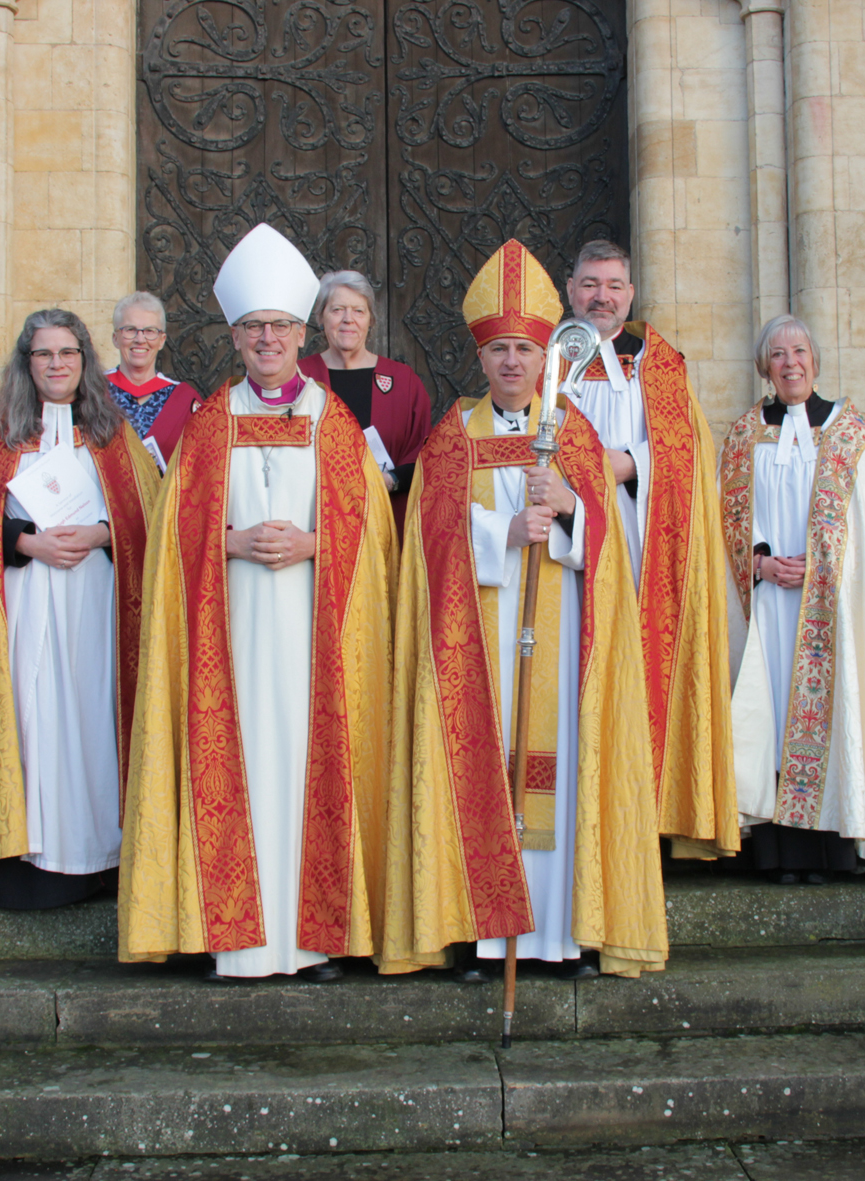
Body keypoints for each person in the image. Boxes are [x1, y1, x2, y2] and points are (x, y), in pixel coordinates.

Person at [379, 238, 665, 982]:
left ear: (546, 359)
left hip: (559, 631)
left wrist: (572, 511)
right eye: (500, 349)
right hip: (476, 638)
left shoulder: (574, 434)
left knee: (556, 773)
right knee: (480, 769)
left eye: (523, 350)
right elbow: (430, 542)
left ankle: (561, 934)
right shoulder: (452, 438)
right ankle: (481, 935)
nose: (512, 362)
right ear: (481, 359)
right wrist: (502, 532)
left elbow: (607, 546)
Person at [118, 223, 396, 982]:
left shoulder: (335, 424)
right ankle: (233, 937)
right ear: (235, 336)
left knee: (310, 767)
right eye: (252, 328)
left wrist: (317, 545)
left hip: (316, 635)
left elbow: (375, 539)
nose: (266, 339)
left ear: (299, 334)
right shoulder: (209, 424)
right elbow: (173, 538)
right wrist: (230, 543)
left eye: (278, 326)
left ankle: (319, 939)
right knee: (236, 762)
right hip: (231, 633)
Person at [0, 309, 155, 910]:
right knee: (29, 716)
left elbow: (147, 518)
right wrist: (27, 542)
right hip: (24, 599)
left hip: (95, 604)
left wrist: (103, 535)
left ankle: (98, 860)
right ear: (27, 364)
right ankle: (28, 864)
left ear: (85, 362)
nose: (56, 365)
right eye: (44, 354)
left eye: (67, 354)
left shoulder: (113, 437)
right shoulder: (2, 435)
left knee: (92, 715)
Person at [719, 315, 865, 879]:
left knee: (834, 709)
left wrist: (830, 565)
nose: (791, 363)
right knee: (773, 713)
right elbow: (727, 517)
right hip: (765, 603)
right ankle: (777, 852)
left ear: (815, 359)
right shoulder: (743, 434)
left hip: (832, 606)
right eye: (778, 354)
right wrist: (758, 560)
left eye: (800, 351)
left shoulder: (849, 433)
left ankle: (831, 850)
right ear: (765, 367)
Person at [562, 241, 738, 860]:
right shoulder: (546, 358)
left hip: (639, 541)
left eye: (613, 285)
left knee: (638, 669)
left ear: (630, 295)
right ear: (570, 288)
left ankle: (646, 820)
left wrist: (628, 462)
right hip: (566, 541)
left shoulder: (660, 364)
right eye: (590, 284)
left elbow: (688, 454)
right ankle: (574, 817)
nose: (601, 297)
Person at [297, 270, 433, 527]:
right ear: (321, 317)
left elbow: (425, 454)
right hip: (315, 525)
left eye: (359, 311)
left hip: (384, 520)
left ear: (370, 320)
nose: (348, 319)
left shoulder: (403, 381)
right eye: (337, 310)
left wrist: (389, 480)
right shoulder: (301, 377)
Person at [106, 290, 203, 465]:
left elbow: (200, 464)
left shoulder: (184, 400)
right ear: (115, 338)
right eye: (130, 330)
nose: (140, 339)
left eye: (150, 331)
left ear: (162, 340)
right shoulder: (94, 392)